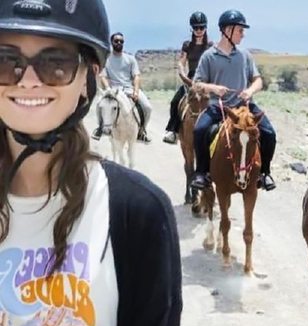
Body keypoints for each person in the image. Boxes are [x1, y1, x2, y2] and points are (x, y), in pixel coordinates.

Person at [0, 0, 230, 326]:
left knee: (143, 108)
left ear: (87, 76)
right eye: (6, 60)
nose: (28, 80)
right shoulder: (200, 53)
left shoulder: (136, 209)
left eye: (55, 61)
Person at [189, 9, 277, 192]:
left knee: (269, 132)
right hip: (218, 107)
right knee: (199, 130)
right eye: (240, 30)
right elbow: (196, 84)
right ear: (227, 30)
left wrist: (249, 90)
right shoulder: (209, 56)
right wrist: (214, 88)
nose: (242, 35)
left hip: (244, 106)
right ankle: (202, 173)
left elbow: (258, 80)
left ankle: (264, 173)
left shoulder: (244, 55)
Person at [91, 32, 152, 143]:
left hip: (128, 89)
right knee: (99, 104)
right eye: (116, 41)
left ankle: (142, 131)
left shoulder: (130, 59)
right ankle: (100, 128)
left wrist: (136, 91)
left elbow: (136, 76)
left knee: (147, 107)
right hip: (113, 90)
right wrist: (108, 89)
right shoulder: (106, 60)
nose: (119, 43)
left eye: (121, 41)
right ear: (112, 42)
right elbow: (103, 76)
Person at [162, 11, 213, 145]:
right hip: (190, 81)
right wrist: (183, 75)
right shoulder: (187, 45)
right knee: (175, 102)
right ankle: (172, 130)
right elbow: (181, 62)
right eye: (196, 28)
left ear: (205, 28)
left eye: (201, 27)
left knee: (218, 103)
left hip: (207, 81)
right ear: (192, 29)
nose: (199, 30)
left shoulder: (210, 46)